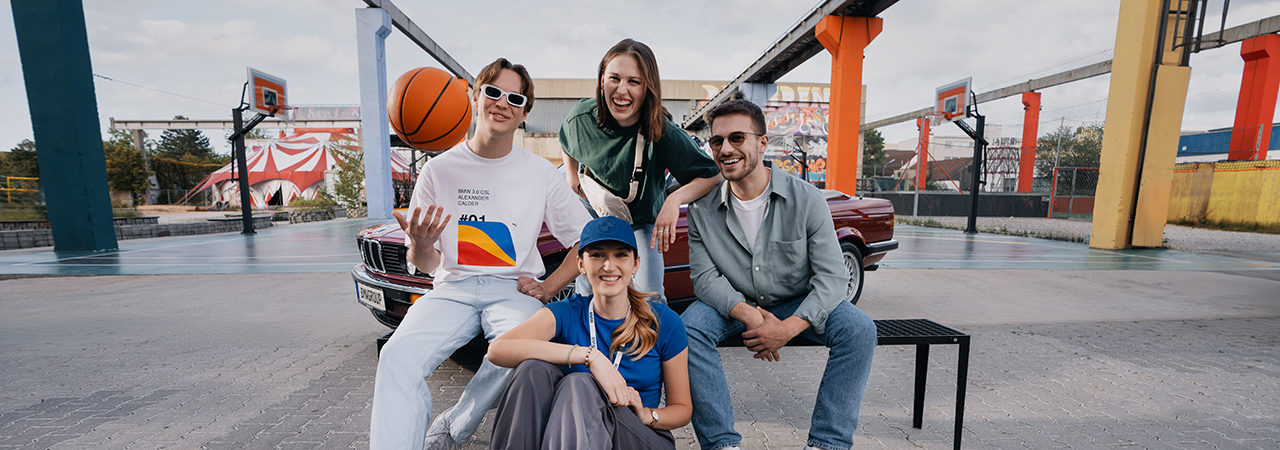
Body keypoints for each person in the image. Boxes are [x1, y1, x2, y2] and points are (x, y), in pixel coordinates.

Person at [370, 58, 593, 450]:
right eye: (492, 92)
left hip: (512, 290)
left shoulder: (540, 173)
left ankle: (455, 426)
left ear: (525, 112)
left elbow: (586, 239)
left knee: (525, 354)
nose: (501, 103)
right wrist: (421, 245)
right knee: (396, 356)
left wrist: (549, 286)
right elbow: (427, 264)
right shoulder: (439, 171)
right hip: (452, 286)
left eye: (514, 97)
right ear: (475, 97)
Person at [680, 99, 877, 450]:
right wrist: (749, 314)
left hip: (796, 301)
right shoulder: (701, 209)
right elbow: (705, 278)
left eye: (737, 137)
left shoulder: (807, 199)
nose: (726, 148)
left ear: (763, 143)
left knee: (860, 330)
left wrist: (787, 328)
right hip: (735, 303)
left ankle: (827, 443)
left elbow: (833, 278)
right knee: (686, 328)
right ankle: (722, 444)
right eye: (717, 141)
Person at [486, 215, 692, 450]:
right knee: (532, 369)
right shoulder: (569, 312)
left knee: (579, 383)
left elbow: (682, 409)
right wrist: (589, 356)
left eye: (621, 255)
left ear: (635, 264)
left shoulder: (663, 321)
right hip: (575, 434)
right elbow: (498, 350)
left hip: (637, 434)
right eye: (597, 255)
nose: (609, 265)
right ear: (581, 265)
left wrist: (648, 415)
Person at [559, 38, 722, 303]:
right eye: (614, 78)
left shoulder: (663, 132)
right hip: (595, 213)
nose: (621, 91)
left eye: (633, 82)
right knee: (588, 292)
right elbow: (565, 139)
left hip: (642, 219)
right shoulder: (581, 117)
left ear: (648, 87)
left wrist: (674, 199)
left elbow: (712, 174)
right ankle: (588, 342)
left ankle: (650, 342)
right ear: (602, 80)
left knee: (649, 298)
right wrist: (571, 176)